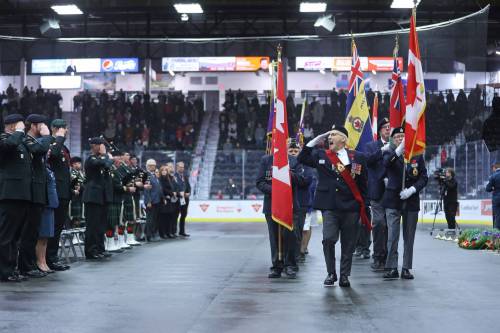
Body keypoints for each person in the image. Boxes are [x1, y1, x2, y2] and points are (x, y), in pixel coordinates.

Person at [298, 125, 368, 288]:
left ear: (343, 139)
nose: (330, 137)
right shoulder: (322, 155)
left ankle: (344, 275)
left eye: (334, 134)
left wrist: (365, 204)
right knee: (328, 239)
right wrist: (313, 141)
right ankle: (331, 273)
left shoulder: (358, 157)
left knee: (348, 243)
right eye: (329, 135)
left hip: (351, 206)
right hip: (329, 206)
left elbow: (363, 183)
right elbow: (302, 158)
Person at [381, 127, 428, 280]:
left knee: (409, 237)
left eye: (403, 136)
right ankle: (392, 267)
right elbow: (386, 164)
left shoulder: (417, 155)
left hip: (411, 200)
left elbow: (423, 177)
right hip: (393, 200)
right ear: (392, 139)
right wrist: (398, 151)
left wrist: (412, 189)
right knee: (392, 236)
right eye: (397, 137)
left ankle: (406, 268)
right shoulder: (388, 152)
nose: (400, 139)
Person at [256, 148, 305, 280]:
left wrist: (289, 174)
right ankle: (277, 266)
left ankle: (290, 266)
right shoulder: (266, 160)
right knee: (274, 237)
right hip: (271, 206)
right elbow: (259, 182)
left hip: (290, 205)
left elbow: (302, 180)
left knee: (290, 236)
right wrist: (276, 191)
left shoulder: (295, 161)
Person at [18, 114, 53, 278]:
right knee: (28, 232)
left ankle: (29, 264)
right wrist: (47, 136)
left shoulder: (36, 141)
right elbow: (38, 150)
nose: (44, 127)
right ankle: (26, 266)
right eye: (41, 124)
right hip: (30, 192)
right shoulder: (26, 139)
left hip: (38, 191)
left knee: (34, 231)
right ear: (33, 125)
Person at [0, 114, 32, 282]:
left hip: (21, 195)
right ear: (12, 126)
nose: (23, 128)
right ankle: (4, 270)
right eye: (20, 125)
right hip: (10, 194)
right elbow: (10, 145)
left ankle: (12, 268)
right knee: (6, 235)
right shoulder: (5, 139)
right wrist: (18, 132)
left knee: (15, 236)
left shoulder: (20, 142)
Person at [363, 117, 391, 270]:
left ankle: (388, 257)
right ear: (380, 130)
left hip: (393, 192)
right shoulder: (371, 146)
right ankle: (377, 255)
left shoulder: (397, 146)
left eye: (389, 127)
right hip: (377, 192)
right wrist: (382, 150)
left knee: (390, 226)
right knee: (379, 223)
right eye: (385, 127)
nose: (388, 129)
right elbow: (368, 160)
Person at [46, 118, 71, 271]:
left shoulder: (63, 147)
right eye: (64, 129)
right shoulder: (51, 142)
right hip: (55, 191)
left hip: (64, 191)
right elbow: (53, 155)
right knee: (53, 227)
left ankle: (53, 257)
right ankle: (49, 258)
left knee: (58, 227)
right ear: (56, 129)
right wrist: (59, 137)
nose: (66, 131)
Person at [83, 137, 113, 260]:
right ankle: (91, 250)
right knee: (92, 225)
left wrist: (105, 156)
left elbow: (107, 166)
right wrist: (105, 155)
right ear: (94, 146)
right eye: (100, 145)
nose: (102, 147)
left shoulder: (101, 159)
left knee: (101, 225)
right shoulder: (91, 159)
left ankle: (100, 248)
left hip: (102, 197)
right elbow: (105, 163)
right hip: (93, 196)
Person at [288, 139, 313, 263]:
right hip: (287, 202)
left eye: (295, 151)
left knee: (300, 230)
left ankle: (299, 252)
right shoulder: (284, 165)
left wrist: (291, 175)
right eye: (290, 150)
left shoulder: (306, 164)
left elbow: (307, 180)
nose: (293, 153)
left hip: (302, 202)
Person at [36, 167, 58, 273]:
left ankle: (43, 261)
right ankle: (39, 261)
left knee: (46, 237)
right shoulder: (40, 168)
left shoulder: (47, 168)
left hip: (51, 203)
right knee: (42, 236)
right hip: (45, 203)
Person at [143, 159, 162, 242]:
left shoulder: (153, 175)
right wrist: (149, 201)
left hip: (156, 200)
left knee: (153, 219)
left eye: (154, 165)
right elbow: (147, 190)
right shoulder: (147, 175)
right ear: (147, 166)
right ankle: (147, 235)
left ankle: (151, 234)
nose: (153, 167)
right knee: (149, 219)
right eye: (151, 165)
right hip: (151, 201)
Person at [159, 164, 178, 239]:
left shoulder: (168, 179)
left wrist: (172, 193)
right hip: (163, 200)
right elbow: (162, 189)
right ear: (161, 171)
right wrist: (171, 193)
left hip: (169, 200)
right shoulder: (160, 179)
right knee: (163, 218)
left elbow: (171, 188)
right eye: (163, 170)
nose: (164, 171)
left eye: (165, 170)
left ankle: (168, 232)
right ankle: (162, 233)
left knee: (169, 217)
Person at [174, 161, 191, 237]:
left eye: (183, 167)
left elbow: (188, 186)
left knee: (184, 215)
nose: (182, 168)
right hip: (178, 198)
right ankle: (173, 231)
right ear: (177, 167)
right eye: (180, 167)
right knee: (176, 215)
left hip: (185, 199)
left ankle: (182, 231)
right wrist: (181, 193)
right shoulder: (174, 176)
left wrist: (188, 192)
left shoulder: (185, 176)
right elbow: (174, 187)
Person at [70, 157, 85, 227]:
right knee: (75, 220)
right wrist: (84, 186)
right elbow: (78, 185)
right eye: (75, 163)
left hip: (81, 199)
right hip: (75, 199)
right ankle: (74, 236)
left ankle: (78, 236)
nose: (78, 165)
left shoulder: (81, 173)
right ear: (72, 165)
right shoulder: (72, 174)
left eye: (79, 163)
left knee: (81, 219)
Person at [486, 160, 500, 229]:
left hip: (496, 198)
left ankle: (496, 234)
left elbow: (487, 189)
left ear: (494, 168)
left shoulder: (493, 176)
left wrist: (493, 188)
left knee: (497, 215)